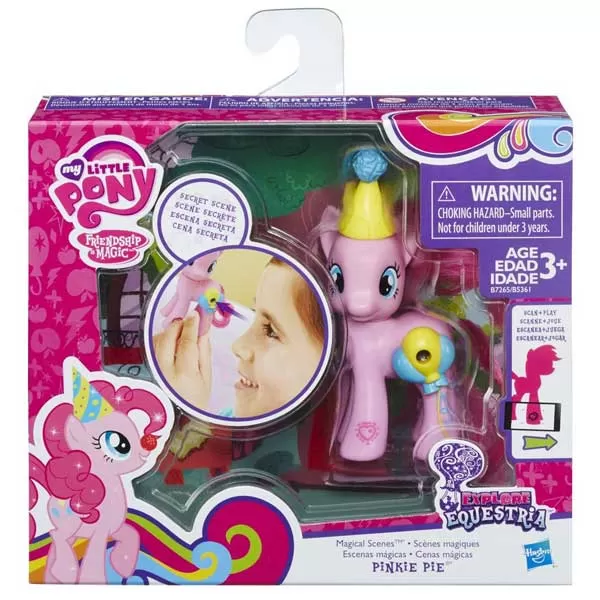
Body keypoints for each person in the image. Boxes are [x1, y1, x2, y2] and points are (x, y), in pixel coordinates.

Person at [153, 257, 325, 418]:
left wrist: (185, 414)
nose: (237, 346)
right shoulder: (230, 417)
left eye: (270, 331)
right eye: (254, 313)